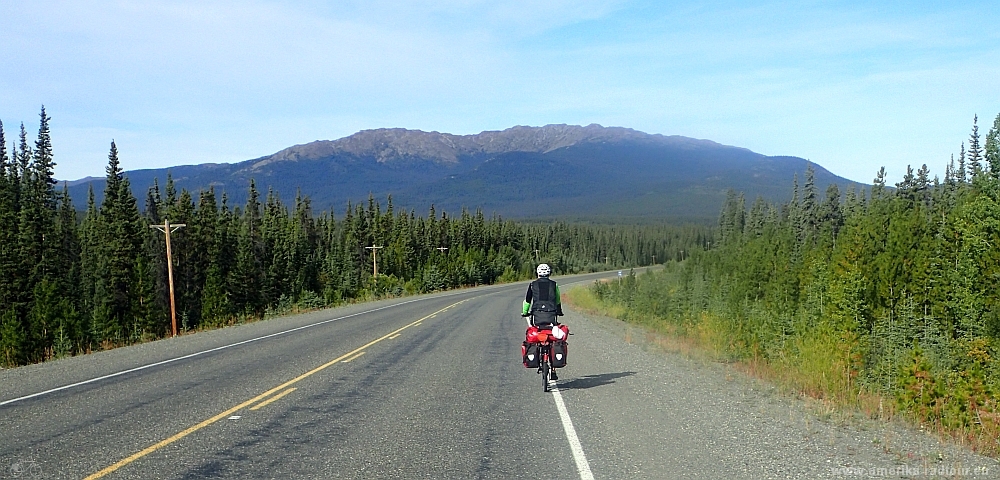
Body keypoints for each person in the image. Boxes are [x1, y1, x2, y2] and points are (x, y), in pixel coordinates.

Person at [521, 263, 564, 379]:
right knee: (552, 338)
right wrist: (559, 311)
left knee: (537, 335)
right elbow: (558, 300)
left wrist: (524, 312)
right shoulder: (554, 285)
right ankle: (553, 369)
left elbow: (527, 301)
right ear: (549, 273)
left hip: (537, 316)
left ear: (538, 273)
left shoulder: (532, 285)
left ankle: (537, 356)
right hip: (551, 316)